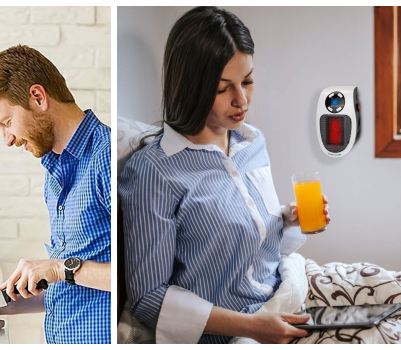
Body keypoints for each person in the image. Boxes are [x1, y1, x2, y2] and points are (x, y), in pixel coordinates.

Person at [118, 7, 331, 344]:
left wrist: (289, 219)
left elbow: (253, 236)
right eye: (223, 88)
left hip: (285, 295)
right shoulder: (155, 171)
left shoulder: (252, 142)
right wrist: (252, 327)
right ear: (191, 86)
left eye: (247, 80)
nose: (241, 99)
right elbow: (149, 299)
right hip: (235, 332)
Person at [0, 45, 111, 344]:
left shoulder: (109, 158)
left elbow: (144, 278)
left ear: (38, 97)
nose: (7, 139)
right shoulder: (56, 169)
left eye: (7, 123)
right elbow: (72, 289)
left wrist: (60, 267)